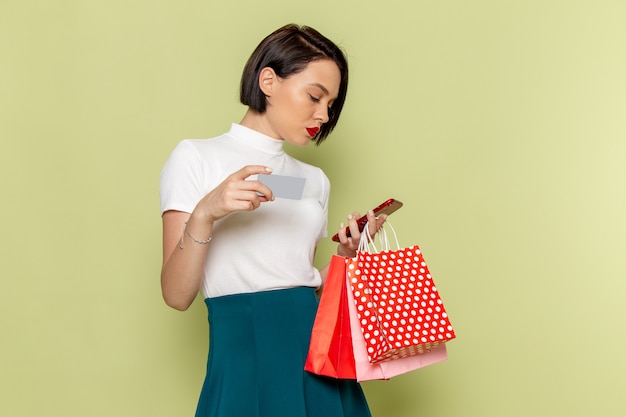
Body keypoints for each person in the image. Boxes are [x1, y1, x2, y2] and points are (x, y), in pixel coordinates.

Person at [159, 23, 387, 417]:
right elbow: (177, 296)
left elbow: (303, 286)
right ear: (268, 80)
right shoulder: (197, 157)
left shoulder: (313, 180)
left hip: (318, 357)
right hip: (244, 351)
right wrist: (205, 214)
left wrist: (347, 257)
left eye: (330, 104)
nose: (323, 114)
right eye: (315, 96)